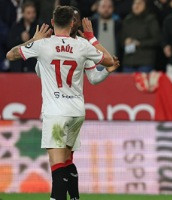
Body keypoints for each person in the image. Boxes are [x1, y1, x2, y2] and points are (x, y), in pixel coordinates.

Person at [6, 6, 114, 200]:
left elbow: (11, 55)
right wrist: (91, 37)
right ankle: (75, 197)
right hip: (77, 111)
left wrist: (34, 40)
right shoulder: (82, 45)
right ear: (73, 23)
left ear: (53, 22)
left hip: (55, 112)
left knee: (57, 167)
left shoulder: (43, 45)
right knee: (66, 162)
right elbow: (109, 60)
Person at [120, 0, 160, 73]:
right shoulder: (127, 20)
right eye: (135, 3)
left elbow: (156, 40)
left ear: (145, 6)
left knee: (143, 84)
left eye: (140, 3)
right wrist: (125, 41)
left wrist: (140, 43)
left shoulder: (151, 20)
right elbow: (121, 40)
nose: (136, 5)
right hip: (128, 62)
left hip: (145, 63)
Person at [7, 1, 38, 72]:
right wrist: (20, 38)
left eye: (33, 12)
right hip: (18, 67)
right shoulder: (16, 26)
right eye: (28, 13)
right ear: (23, 14)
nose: (32, 15)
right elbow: (9, 43)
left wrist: (30, 39)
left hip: (33, 68)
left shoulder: (39, 27)